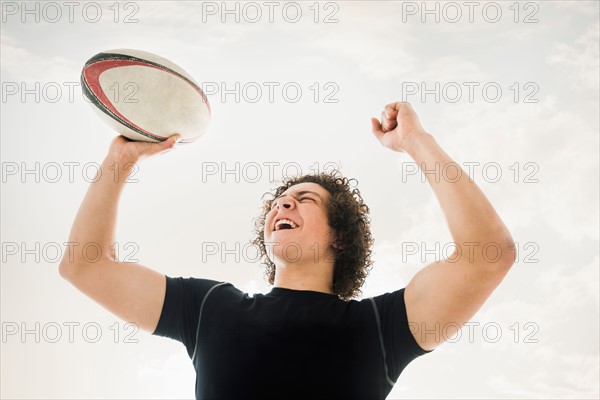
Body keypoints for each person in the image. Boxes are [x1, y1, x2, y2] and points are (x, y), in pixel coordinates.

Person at [60, 102, 516, 399]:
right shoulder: (208, 309)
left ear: (339, 236)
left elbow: (489, 254)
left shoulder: (381, 329)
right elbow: (86, 265)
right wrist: (121, 159)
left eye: (306, 200)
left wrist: (416, 142)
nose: (284, 202)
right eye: (282, 200)